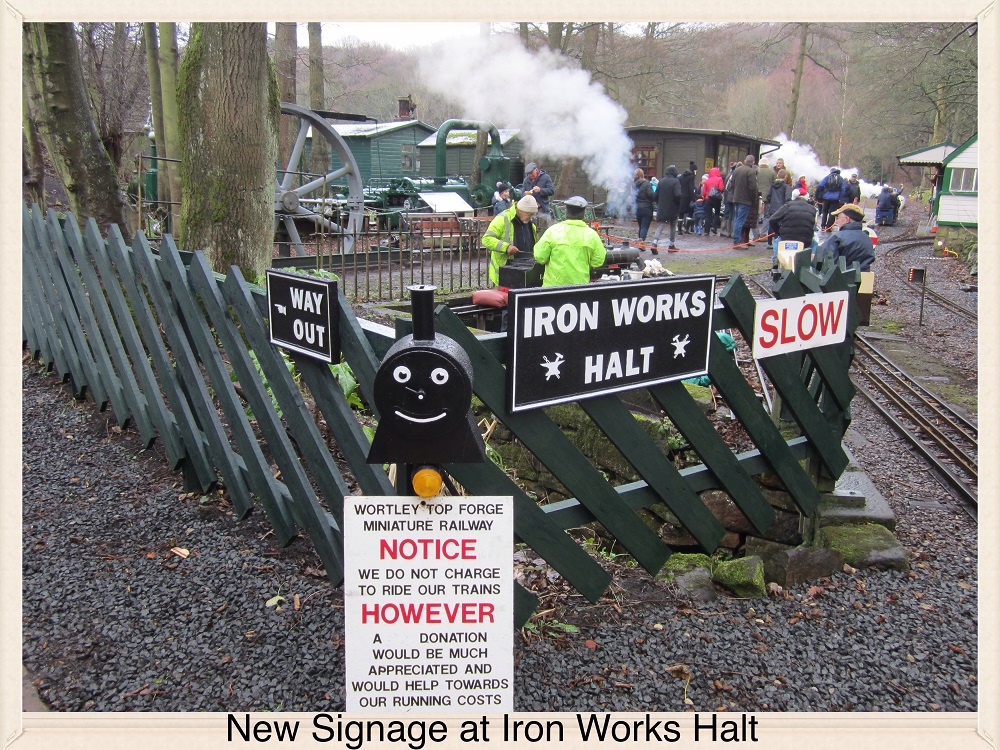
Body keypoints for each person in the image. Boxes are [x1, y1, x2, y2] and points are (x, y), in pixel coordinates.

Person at [532, 196, 607, 287]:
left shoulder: (553, 231)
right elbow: (598, 261)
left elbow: (540, 257)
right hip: (578, 288)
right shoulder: (592, 235)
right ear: (583, 213)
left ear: (566, 212)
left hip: (552, 289)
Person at [482, 194, 538, 286]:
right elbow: (486, 239)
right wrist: (506, 247)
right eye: (529, 214)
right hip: (506, 272)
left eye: (533, 214)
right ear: (520, 211)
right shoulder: (502, 219)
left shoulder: (530, 224)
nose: (531, 217)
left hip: (525, 271)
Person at [766, 188, 817, 268]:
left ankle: (776, 259)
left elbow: (772, 219)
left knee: (777, 242)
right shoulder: (812, 209)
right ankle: (812, 263)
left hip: (787, 238)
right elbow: (813, 225)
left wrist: (779, 232)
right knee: (814, 244)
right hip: (805, 241)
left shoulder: (787, 206)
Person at [817, 203, 874, 270]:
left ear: (847, 219)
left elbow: (822, 265)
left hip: (838, 279)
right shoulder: (867, 239)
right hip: (863, 279)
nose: (836, 221)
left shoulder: (836, 238)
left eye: (838, 218)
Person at [650, 165, 682, 253]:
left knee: (660, 226)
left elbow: (655, 195)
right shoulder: (676, 182)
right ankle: (671, 245)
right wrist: (678, 204)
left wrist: (659, 203)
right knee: (672, 226)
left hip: (662, 207)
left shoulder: (661, 181)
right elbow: (678, 195)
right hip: (672, 208)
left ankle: (654, 243)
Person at [731, 154, 758, 246]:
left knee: (737, 219)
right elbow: (753, 187)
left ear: (745, 160)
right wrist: (753, 198)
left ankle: (737, 238)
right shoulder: (751, 171)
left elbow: (732, 184)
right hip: (745, 200)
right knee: (740, 221)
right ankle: (737, 241)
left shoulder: (736, 170)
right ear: (753, 162)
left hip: (736, 198)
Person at [763, 169, 792, 252]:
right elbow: (788, 198)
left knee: (771, 225)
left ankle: (769, 243)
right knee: (779, 227)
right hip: (781, 209)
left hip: (772, 208)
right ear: (785, 176)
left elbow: (768, 196)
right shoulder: (786, 187)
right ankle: (777, 242)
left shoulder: (772, 185)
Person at [815, 167, 847, 231]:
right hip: (835, 198)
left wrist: (823, 193)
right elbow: (843, 189)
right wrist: (840, 197)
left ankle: (823, 225)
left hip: (826, 197)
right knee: (832, 213)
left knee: (824, 212)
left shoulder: (827, 177)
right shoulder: (840, 178)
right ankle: (828, 227)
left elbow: (820, 185)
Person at [632, 168, 656, 241]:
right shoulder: (646, 184)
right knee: (644, 227)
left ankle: (640, 241)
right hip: (647, 208)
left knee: (641, 227)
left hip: (638, 209)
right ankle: (641, 243)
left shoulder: (634, 185)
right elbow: (651, 195)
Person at [701, 166, 725, 236]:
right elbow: (721, 188)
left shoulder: (707, 180)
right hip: (716, 199)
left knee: (708, 215)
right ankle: (714, 228)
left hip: (708, 199)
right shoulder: (719, 179)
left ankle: (706, 231)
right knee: (717, 213)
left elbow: (703, 192)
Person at [756, 158, 775, 236]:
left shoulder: (756, 171)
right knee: (767, 216)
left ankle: (756, 234)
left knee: (756, 215)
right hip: (768, 197)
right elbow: (774, 185)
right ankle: (763, 233)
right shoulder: (772, 172)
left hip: (757, 196)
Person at [678, 163, 697, 234]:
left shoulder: (682, 176)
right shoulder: (691, 177)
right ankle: (686, 229)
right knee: (690, 212)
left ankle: (679, 230)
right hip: (688, 197)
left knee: (681, 214)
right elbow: (691, 188)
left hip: (681, 196)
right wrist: (693, 198)